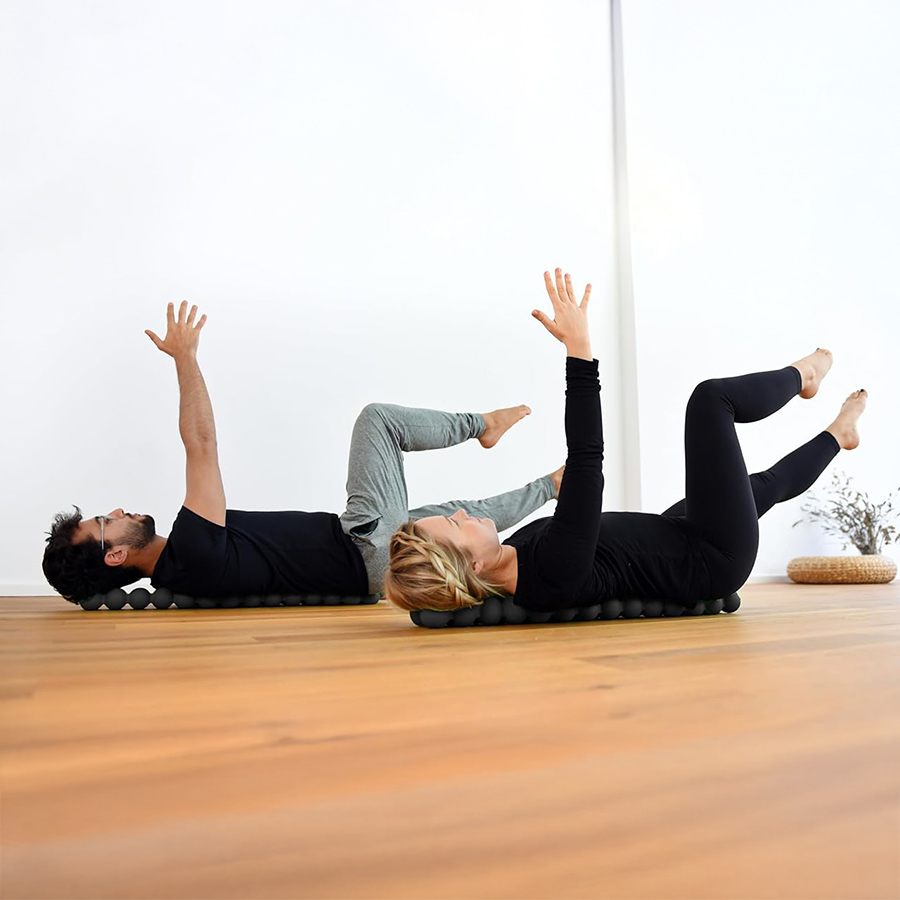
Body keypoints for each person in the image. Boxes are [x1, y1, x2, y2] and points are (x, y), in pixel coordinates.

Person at [384, 269, 868, 612]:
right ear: (471, 562)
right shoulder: (551, 572)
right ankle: (803, 375)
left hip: (679, 536)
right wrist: (579, 350)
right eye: (455, 522)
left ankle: (838, 435)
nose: (463, 512)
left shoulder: (511, 554)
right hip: (711, 557)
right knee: (710, 402)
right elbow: (588, 459)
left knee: (763, 484)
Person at [42, 302, 563, 603]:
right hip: (365, 546)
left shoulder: (185, 567)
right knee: (377, 420)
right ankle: (481, 426)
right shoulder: (191, 553)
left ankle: (553, 486)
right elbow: (200, 444)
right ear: (115, 554)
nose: (116, 512)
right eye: (103, 523)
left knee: (456, 516)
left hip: (366, 555)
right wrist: (185, 358)